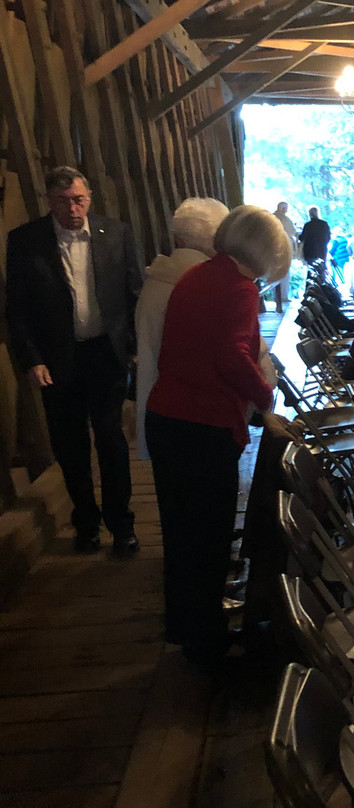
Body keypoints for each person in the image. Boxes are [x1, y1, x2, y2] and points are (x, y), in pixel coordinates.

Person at [145, 206, 290, 665]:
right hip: (199, 428)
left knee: (183, 537)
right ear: (265, 250)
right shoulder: (240, 288)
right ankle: (206, 646)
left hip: (170, 420)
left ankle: (191, 632)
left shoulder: (199, 273)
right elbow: (231, 356)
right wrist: (266, 400)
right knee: (207, 538)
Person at [5, 166, 143, 555]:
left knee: (111, 440)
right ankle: (87, 522)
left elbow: (135, 292)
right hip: (57, 358)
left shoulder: (116, 233)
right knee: (70, 445)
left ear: (90, 197)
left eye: (79, 199)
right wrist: (32, 360)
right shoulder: (26, 240)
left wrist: (133, 346)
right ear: (50, 201)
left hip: (105, 353)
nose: (73, 207)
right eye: (64, 201)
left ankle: (122, 525)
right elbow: (17, 309)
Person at [134, 197, 229, 462]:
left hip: (160, 412)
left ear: (177, 238)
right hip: (205, 415)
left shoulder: (155, 282)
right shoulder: (210, 285)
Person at [298, 205, 331, 281]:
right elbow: (328, 237)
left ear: (309, 214)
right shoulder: (324, 224)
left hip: (310, 251)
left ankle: (312, 288)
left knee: (311, 270)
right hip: (322, 251)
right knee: (321, 270)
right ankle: (322, 286)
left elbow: (302, 238)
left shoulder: (308, 225)